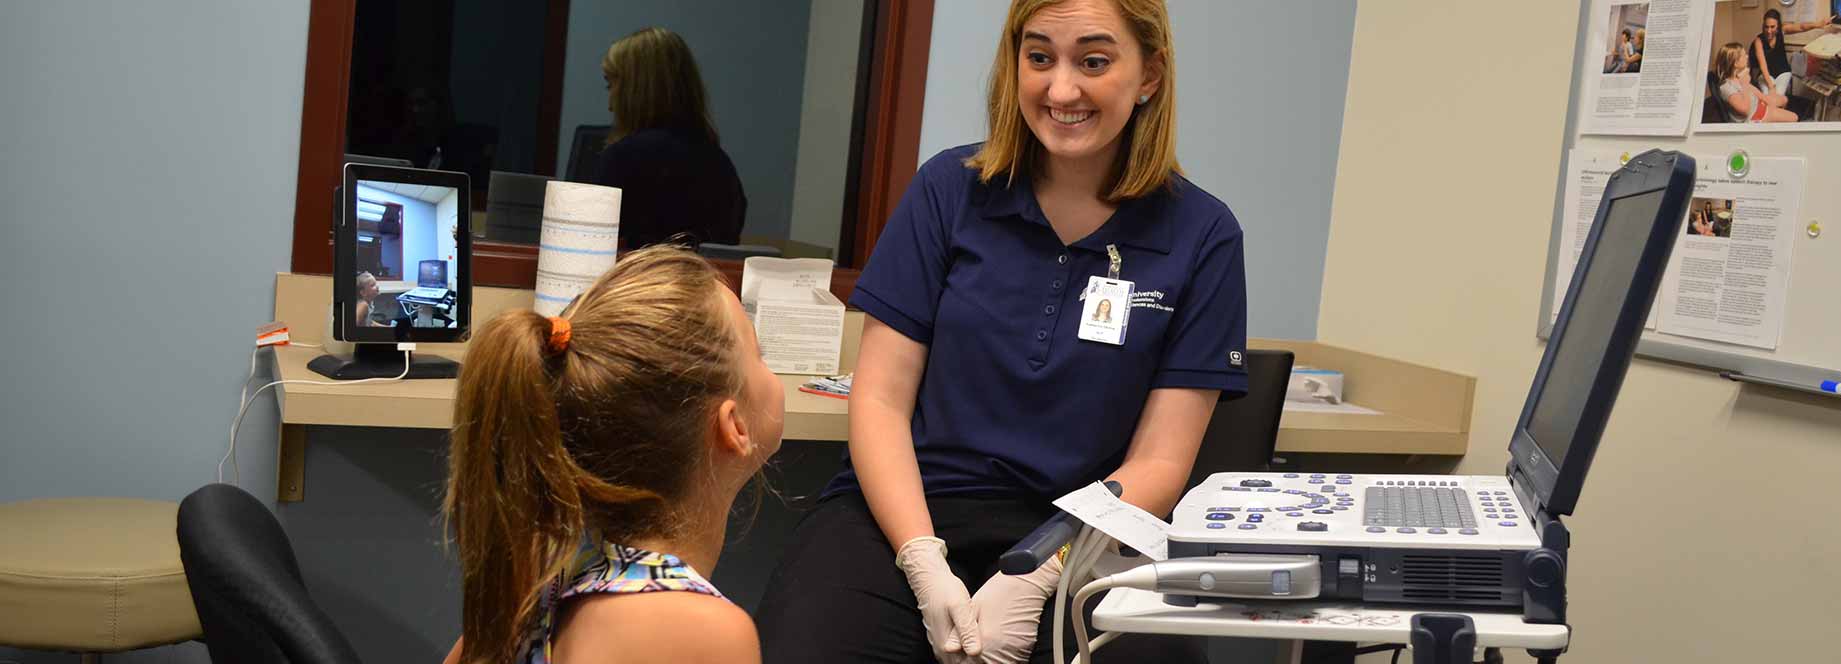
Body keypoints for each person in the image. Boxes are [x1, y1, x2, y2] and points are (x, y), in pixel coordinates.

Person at [754, 1, 1248, 663]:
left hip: (1083, 536)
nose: (1060, 89)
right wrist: (922, 560)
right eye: (1039, 57)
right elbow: (878, 401)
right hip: (906, 515)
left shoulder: (1203, 235)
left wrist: (1046, 568)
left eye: (1093, 61)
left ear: (1150, 74)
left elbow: (1159, 462)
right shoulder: (948, 193)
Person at [439, 246, 784, 664]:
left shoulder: (545, 593)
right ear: (735, 427)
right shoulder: (703, 631)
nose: (770, 368)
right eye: (759, 353)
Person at [596, 27, 747, 251]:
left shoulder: (622, 159)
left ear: (634, 89)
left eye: (611, 85)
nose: (610, 104)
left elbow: (594, 251)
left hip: (637, 283)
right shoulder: (721, 164)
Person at [1752, 9, 1833, 97]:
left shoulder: (1782, 31)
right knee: (1767, 95)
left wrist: (1818, 25)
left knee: (1779, 95)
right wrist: (1771, 86)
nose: (1769, 31)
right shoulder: (1758, 41)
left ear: (1778, 26)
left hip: (1783, 72)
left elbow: (1801, 27)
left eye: (1772, 27)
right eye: (1766, 27)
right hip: (1766, 74)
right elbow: (1763, 65)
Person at [1715, 43, 1797, 123]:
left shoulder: (1739, 76)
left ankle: (1775, 123)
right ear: (1736, 63)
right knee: (1794, 118)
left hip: (1758, 105)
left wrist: (1767, 101)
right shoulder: (1726, 87)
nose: (1747, 56)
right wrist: (1745, 84)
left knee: (1784, 99)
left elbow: (1755, 92)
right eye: (1744, 55)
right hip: (1753, 116)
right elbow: (1745, 110)